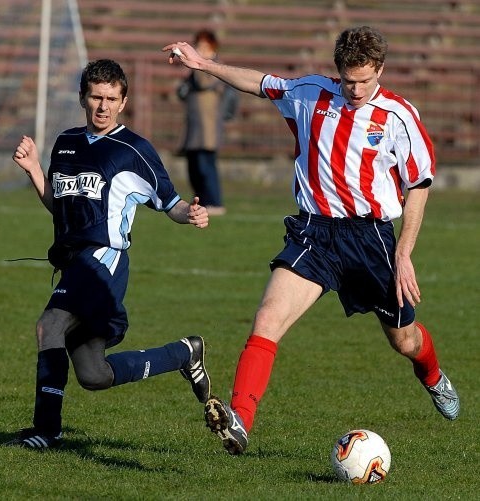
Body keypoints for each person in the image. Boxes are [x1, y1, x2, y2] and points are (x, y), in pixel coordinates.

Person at [163, 26, 460, 456]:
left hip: (370, 239)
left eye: (364, 80)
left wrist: (404, 251)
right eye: (347, 80)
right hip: (314, 233)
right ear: (337, 71)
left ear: (379, 69)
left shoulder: (398, 116)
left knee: (404, 340)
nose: (355, 90)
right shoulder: (310, 93)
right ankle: (239, 419)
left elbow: (419, 184)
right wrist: (204, 64)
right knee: (267, 320)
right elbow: (259, 83)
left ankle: (433, 377)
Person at [9, 59, 211, 449]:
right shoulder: (65, 143)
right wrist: (35, 170)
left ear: (123, 102)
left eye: (111, 98)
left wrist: (192, 213)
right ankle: (184, 354)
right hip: (73, 262)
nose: (103, 106)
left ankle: (45, 430)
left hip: (104, 259)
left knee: (49, 325)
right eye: (96, 97)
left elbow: (170, 203)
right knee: (93, 374)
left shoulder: (134, 150)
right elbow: (62, 206)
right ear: (83, 97)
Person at [176, 29, 238, 216]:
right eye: (198, 46)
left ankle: (215, 202)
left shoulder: (215, 67)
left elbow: (204, 83)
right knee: (194, 167)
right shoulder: (196, 68)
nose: (200, 49)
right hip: (194, 126)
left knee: (206, 166)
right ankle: (201, 201)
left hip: (208, 126)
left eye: (204, 46)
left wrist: (200, 63)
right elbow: (183, 92)